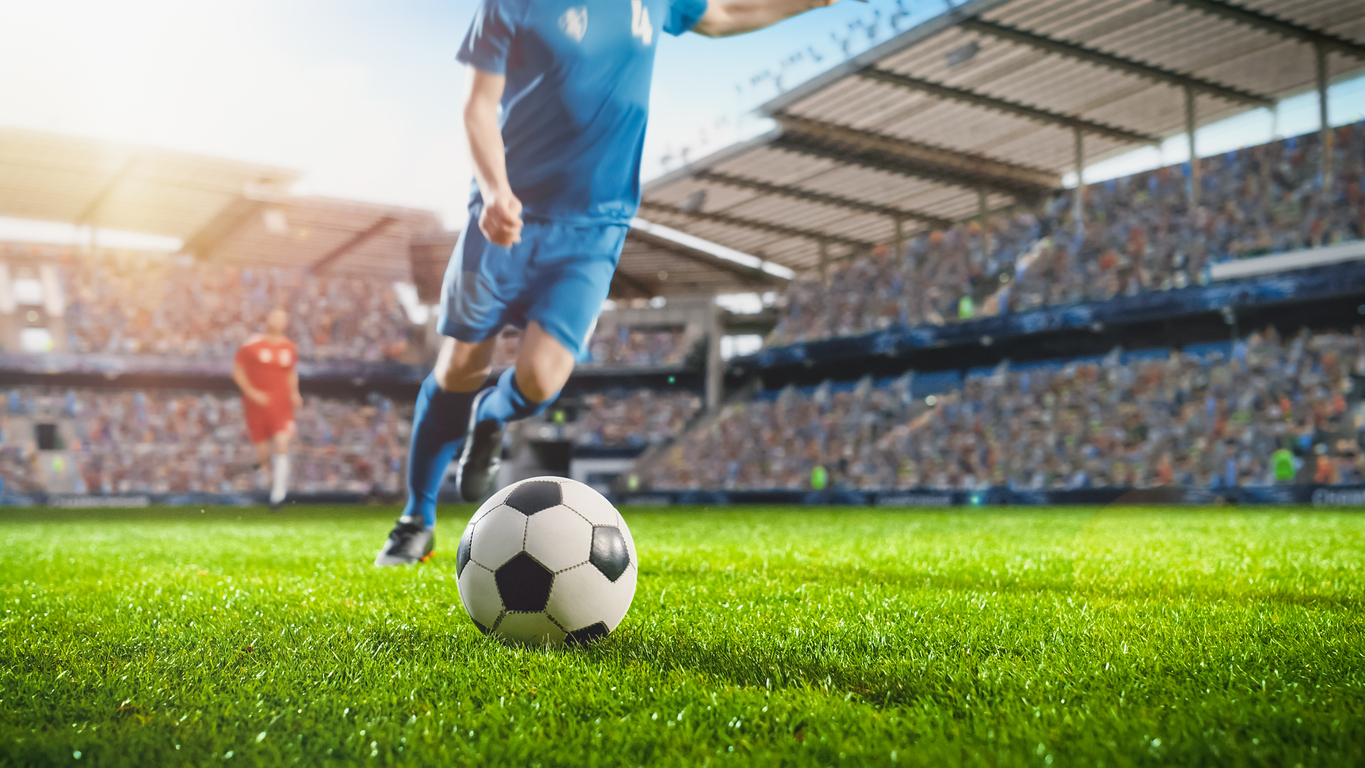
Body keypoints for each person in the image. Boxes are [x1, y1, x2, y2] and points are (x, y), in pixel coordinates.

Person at [374, 0, 851, 565]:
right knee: (459, 368)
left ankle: (493, 417)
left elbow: (724, 14)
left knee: (541, 379)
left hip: (594, 230)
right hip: (507, 216)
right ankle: (416, 519)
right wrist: (496, 188)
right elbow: (478, 107)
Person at [232, 309, 301, 511]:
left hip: (281, 407)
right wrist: (252, 393)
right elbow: (237, 371)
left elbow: (291, 373)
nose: (278, 321)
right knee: (262, 455)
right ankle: (266, 479)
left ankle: (278, 496)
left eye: (282, 317)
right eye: (275, 316)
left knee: (282, 443)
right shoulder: (253, 345)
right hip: (256, 407)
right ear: (268, 319)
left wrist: (295, 393)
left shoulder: (289, 347)